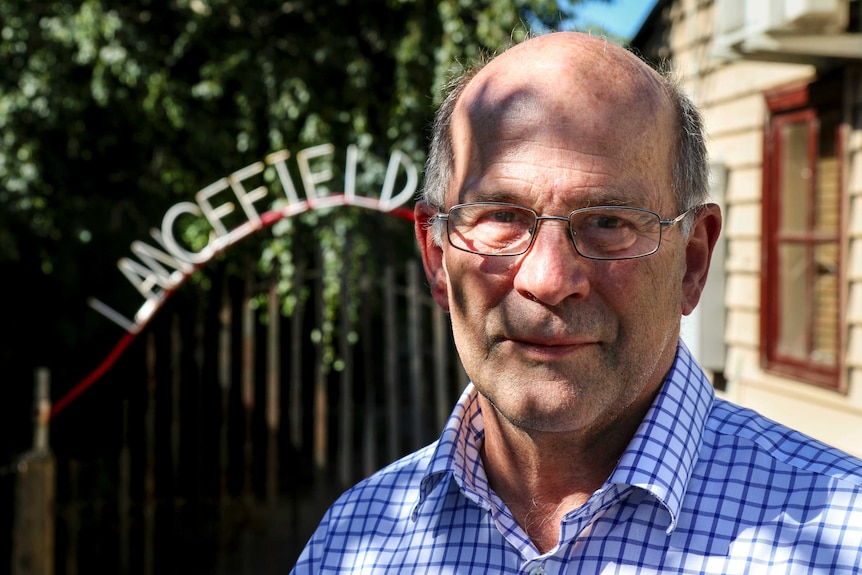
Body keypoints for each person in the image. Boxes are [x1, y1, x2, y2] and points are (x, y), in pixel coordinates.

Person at [290, 31, 862, 573]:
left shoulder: (845, 538)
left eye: (609, 222)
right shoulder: (354, 542)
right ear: (437, 258)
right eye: (502, 217)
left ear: (691, 262)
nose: (549, 278)